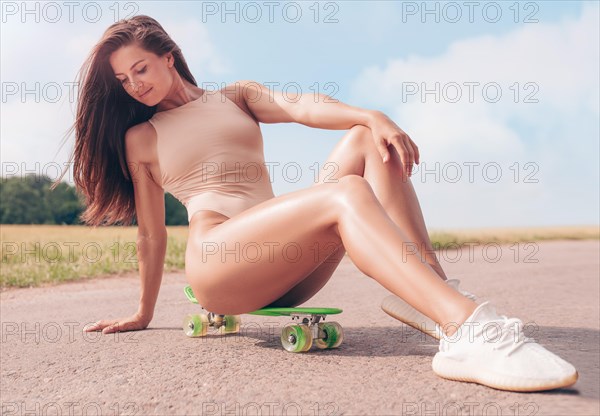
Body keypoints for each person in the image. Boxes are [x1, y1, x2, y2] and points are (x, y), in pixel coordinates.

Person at [65, 15, 577, 392]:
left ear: (168, 56)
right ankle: (468, 328)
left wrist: (372, 114)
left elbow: (302, 106)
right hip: (219, 265)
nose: (136, 84)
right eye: (125, 81)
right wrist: (142, 311)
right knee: (346, 193)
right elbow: (151, 234)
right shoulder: (142, 137)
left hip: (284, 266)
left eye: (141, 69)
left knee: (364, 140)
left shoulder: (236, 96)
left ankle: (432, 293)